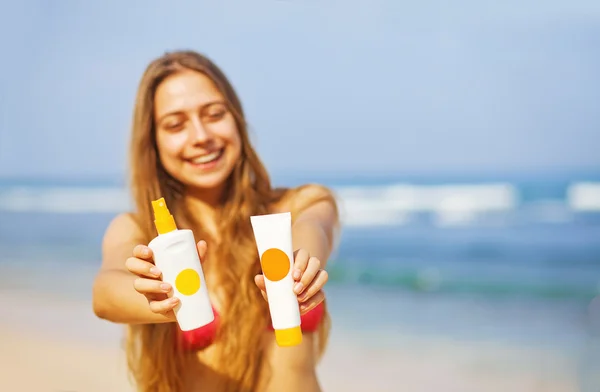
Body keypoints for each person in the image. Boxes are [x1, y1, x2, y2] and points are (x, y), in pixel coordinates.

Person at [91, 50, 340, 392]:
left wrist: (299, 270)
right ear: (153, 141)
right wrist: (155, 299)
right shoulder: (137, 230)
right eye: (175, 124)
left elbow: (313, 230)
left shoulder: (302, 203)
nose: (200, 136)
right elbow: (105, 293)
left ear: (237, 119)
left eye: (214, 114)